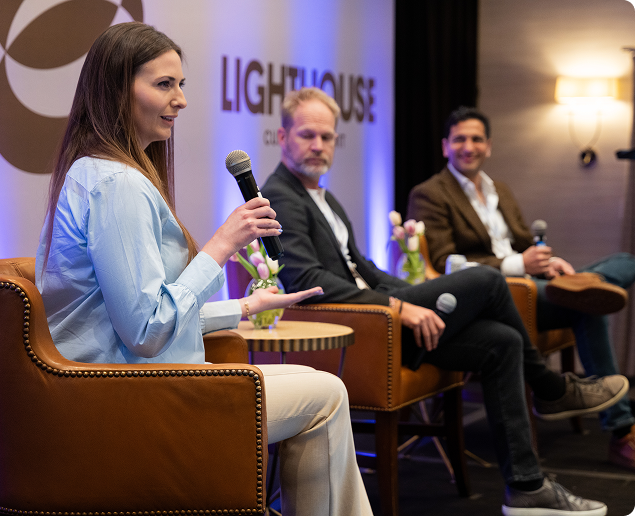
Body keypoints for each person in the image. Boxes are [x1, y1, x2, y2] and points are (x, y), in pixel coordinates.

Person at [35, 22, 374, 516]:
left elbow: (131, 315)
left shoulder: (102, 172)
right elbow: (146, 332)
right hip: (121, 395)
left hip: (125, 380)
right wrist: (219, 246)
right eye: (164, 85)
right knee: (326, 392)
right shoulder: (116, 184)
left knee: (315, 385)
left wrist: (243, 306)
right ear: (116, 89)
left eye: (182, 85)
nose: (181, 100)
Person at [261, 86, 627, 515]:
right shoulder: (281, 195)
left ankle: (527, 488)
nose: (319, 145)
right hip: (360, 331)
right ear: (283, 138)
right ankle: (548, 389)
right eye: (308, 135)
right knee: (488, 282)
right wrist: (401, 306)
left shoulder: (323, 195)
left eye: (327, 137)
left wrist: (405, 296)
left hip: (380, 314)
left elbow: (365, 268)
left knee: (501, 343)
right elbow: (307, 278)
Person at [407, 105, 635, 472]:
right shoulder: (430, 193)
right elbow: (448, 264)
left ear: (489, 146)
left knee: (626, 261)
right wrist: (518, 266)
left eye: (477, 139)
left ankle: (583, 286)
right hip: (501, 294)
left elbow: (527, 243)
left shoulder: (500, 190)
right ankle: (622, 432)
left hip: (536, 282)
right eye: (460, 139)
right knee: (586, 304)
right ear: (445, 146)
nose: (469, 146)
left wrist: (551, 262)